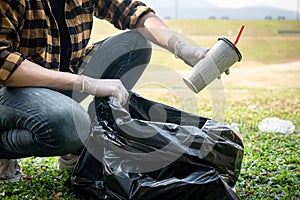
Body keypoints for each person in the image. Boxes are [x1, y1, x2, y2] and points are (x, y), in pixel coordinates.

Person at [0, 0, 213, 182]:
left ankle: (80, 150)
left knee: (135, 45)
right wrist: (86, 83)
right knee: (70, 124)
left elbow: (132, 10)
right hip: (10, 89)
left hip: (60, 80)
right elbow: (3, 62)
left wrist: (183, 48)